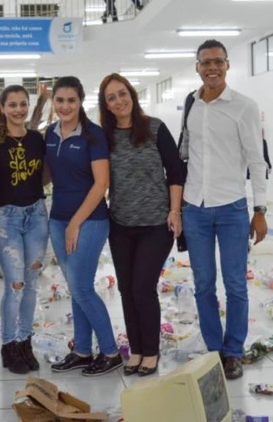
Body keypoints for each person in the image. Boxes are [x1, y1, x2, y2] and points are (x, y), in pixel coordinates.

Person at [177, 39, 269, 380]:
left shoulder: (244, 106)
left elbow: (257, 162)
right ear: (197, 67)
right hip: (195, 208)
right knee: (203, 284)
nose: (211, 68)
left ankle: (234, 352)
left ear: (227, 65)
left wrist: (259, 209)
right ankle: (214, 349)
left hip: (231, 207)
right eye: (205, 63)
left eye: (218, 62)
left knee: (235, 285)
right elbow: (185, 155)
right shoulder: (192, 104)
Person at [98, 74, 185, 377]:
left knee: (142, 288)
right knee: (125, 290)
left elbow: (175, 171)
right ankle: (135, 350)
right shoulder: (105, 137)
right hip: (120, 224)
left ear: (132, 95)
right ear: (105, 105)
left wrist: (175, 211)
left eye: (122, 94)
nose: (119, 101)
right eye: (111, 97)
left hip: (155, 224)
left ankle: (151, 351)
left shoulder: (155, 128)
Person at [45, 76, 122, 376]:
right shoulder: (49, 134)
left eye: (71, 100)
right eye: (60, 100)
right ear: (54, 102)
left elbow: (101, 183)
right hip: (58, 219)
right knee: (75, 288)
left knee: (81, 287)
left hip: (89, 221)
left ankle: (111, 352)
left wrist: (75, 223)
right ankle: (82, 351)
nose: (66, 106)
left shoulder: (93, 135)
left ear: (81, 102)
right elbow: (48, 176)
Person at [0, 85, 50, 375]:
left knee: (32, 283)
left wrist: (43, 102)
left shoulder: (37, 138)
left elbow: (48, 172)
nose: (18, 109)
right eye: (12, 104)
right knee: (15, 287)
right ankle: (8, 344)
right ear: (2, 108)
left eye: (23, 104)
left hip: (37, 215)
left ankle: (26, 341)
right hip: (7, 219)